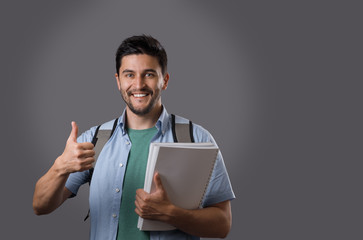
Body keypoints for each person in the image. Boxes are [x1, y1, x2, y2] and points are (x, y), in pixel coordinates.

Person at [33, 35, 235, 240]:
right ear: (118, 81)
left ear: (164, 80)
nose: (138, 85)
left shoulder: (196, 138)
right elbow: (40, 206)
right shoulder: (93, 141)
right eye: (129, 75)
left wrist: (171, 214)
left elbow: (222, 225)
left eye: (148, 74)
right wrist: (60, 167)